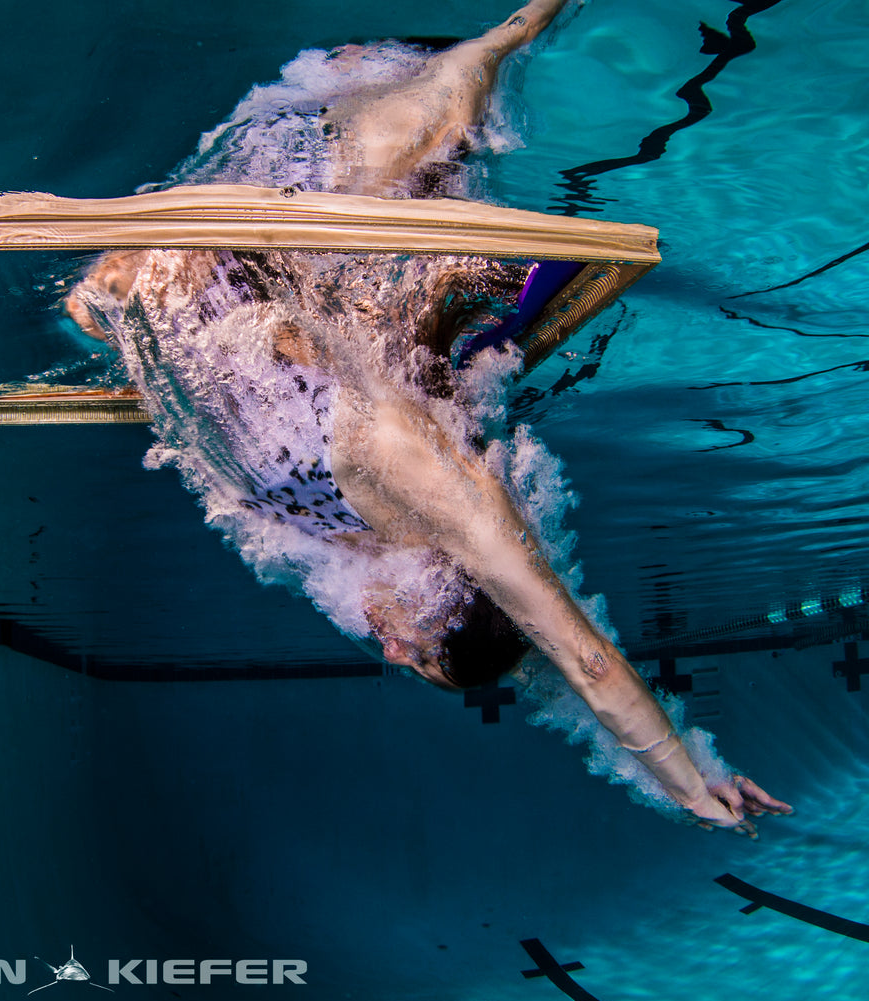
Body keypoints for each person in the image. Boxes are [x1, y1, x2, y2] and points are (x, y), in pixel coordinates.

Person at [65, 0, 792, 835]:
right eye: (411, 655)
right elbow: (579, 653)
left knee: (100, 300)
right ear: (440, 600)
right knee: (476, 78)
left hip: (203, 257)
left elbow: (535, 669)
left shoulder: (358, 554)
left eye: (403, 663)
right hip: (290, 186)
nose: (387, 649)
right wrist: (689, 781)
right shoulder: (434, 489)